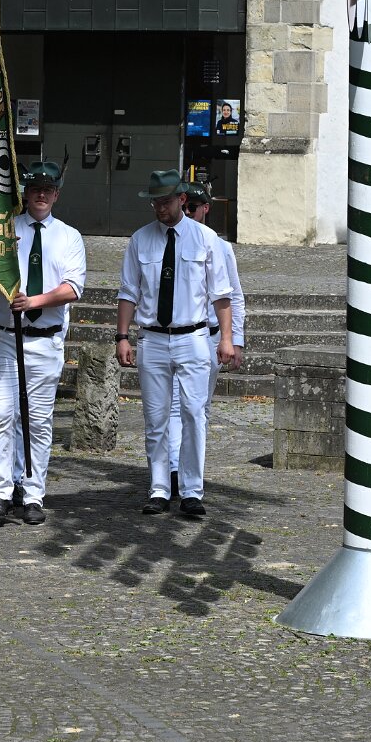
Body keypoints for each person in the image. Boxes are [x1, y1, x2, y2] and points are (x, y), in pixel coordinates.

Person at [115, 169, 234, 519]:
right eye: (155, 202)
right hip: (152, 337)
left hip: (193, 336)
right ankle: (158, 488)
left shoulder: (206, 238)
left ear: (182, 200)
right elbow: (128, 291)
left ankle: (192, 490)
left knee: (194, 414)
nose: (159, 208)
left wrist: (227, 338)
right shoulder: (140, 239)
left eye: (165, 201)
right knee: (155, 417)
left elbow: (221, 294)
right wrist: (122, 336)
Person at [0, 161, 86, 527]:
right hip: (5, 336)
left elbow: (73, 288)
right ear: (25, 193)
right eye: (35, 188)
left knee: (38, 421)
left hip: (44, 340)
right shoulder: (4, 230)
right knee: (1, 414)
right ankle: (2, 492)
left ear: (56, 194)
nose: (41, 195)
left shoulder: (69, 236)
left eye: (47, 190)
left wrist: (33, 302)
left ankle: (34, 494)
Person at [164, 181, 244, 502]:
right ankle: (173, 469)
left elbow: (233, 296)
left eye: (193, 208)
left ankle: (189, 469)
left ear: (206, 209)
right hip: (177, 333)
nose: (188, 212)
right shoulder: (166, 238)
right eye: (184, 207)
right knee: (174, 406)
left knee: (198, 408)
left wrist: (234, 339)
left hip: (209, 335)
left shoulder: (218, 246)